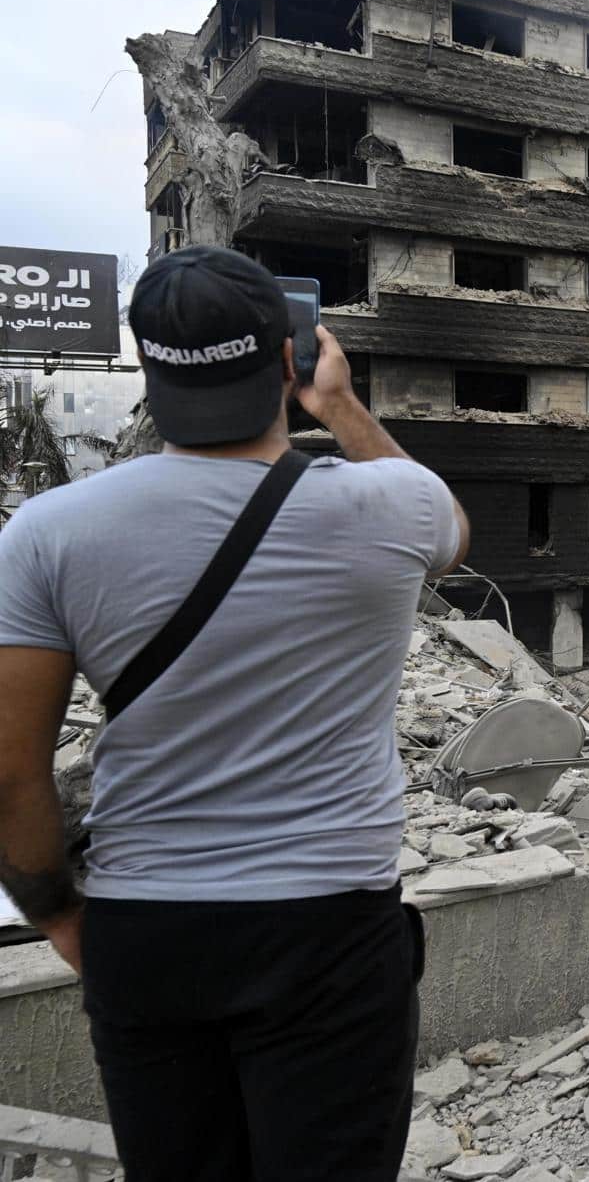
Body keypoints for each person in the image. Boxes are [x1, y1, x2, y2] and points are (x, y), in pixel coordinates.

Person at [0, 245, 470, 1181]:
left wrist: (60, 915)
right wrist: (335, 406)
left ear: (148, 366)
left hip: (147, 931)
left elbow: (10, 772)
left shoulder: (49, 532)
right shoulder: (394, 504)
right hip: (332, 932)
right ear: (289, 360)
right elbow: (451, 533)